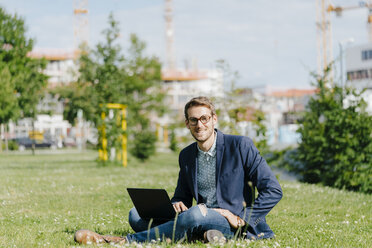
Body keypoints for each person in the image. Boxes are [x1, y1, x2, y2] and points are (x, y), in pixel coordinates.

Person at [74, 96, 283, 245]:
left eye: (204, 118)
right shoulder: (186, 155)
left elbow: (273, 189)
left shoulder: (241, 146)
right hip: (198, 214)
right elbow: (182, 195)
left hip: (231, 220)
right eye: (194, 120)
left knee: (194, 215)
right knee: (135, 215)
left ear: (214, 119)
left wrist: (243, 217)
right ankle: (205, 235)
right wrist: (176, 203)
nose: (199, 125)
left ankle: (122, 241)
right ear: (187, 123)